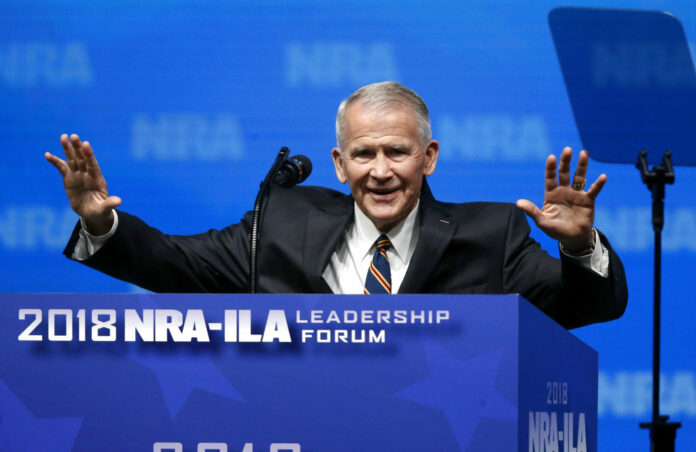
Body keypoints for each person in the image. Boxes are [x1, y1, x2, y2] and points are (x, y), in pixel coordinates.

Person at [45, 81, 627, 328]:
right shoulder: (283, 218)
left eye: (397, 152)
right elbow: (175, 263)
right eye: (363, 153)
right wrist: (103, 224)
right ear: (338, 163)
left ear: (429, 158)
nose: (380, 171)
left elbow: (586, 307)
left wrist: (578, 245)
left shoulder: (491, 232)